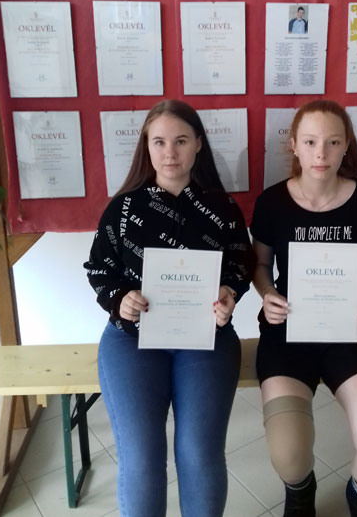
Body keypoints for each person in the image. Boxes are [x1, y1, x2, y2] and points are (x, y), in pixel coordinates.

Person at [84, 99, 253, 517]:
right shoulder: (123, 208)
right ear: (147, 145)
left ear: (198, 143)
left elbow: (240, 265)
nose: (170, 152)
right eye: (159, 142)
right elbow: (99, 269)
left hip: (207, 338)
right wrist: (119, 299)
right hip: (131, 341)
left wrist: (229, 294)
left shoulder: (223, 208)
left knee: (199, 452)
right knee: (141, 456)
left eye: (180, 141)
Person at [250, 100, 357, 517]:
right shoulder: (272, 203)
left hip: (346, 334)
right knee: (288, 454)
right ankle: (301, 495)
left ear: (346, 145)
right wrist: (267, 295)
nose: (321, 154)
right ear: (294, 145)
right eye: (311, 142)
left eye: (333, 142)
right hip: (286, 335)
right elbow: (259, 265)